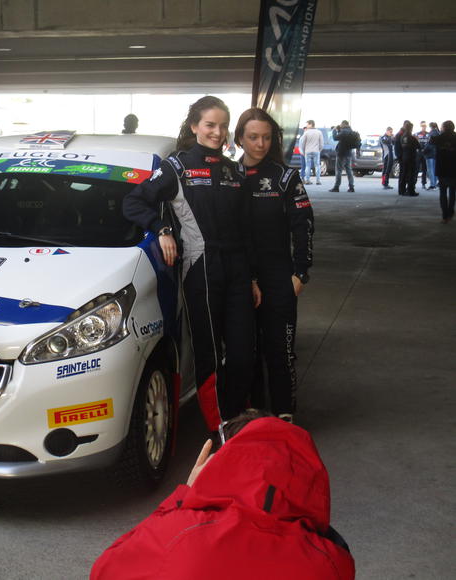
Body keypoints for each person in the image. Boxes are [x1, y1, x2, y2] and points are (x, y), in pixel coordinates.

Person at [90, 410, 355, 579]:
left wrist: (184, 498)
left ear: (219, 462)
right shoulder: (332, 563)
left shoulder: (179, 535)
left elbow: (104, 570)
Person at [122, 96, 255, 433]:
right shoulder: (176, 167)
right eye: (210, 125)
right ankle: (220, 429)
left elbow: (245, 226)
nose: (218, 132)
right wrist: (162, 230)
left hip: (238, 269)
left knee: (242, 351)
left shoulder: (233, 169)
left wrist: (252, 276)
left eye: (223, 125)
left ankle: (240, 417)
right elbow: (134, 202)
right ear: (195, 126)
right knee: (209, 354)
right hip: (202, 268)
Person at [235, 108, 314, 423]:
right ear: (240, 138)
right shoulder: (228, 176)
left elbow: (303, 224)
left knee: (280, 353)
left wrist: (301, 272)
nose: (260, 143)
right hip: (240, 280)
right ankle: (252, 418)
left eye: (266, 137)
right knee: (246, 355)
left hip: (279, 278)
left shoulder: (285, 177)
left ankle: (285, 416)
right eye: (253, 137)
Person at [431, 120, 456, 223]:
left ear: (444, 128)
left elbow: (430, 144)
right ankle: (450, 212)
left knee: (442, 193)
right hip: (453, 170)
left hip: (441, 169)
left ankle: (445, 216)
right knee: (452, 192)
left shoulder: (437, 138)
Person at [329, 121, 360, 193]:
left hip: (341, 154)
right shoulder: (351, 132)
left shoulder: (343, 132)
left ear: (343, 124)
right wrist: (339, 130)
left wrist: (334, 130)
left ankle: (336, 187)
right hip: (349, 153)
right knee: (349, 170)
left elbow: (335, 138)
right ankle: (351, 187)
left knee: (339, 170)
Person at [395, 121, 420, 196]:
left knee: (403, 174)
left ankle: (402, 190)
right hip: (411, 158)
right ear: (411, 128)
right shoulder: (411, 137)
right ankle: (410, 190)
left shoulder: (402, 136)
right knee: (411, 175)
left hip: (404, 157)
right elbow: (419, 146)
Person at [299, 120, 324, 185]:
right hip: (316, 151)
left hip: (307, 151)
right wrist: (319, 150)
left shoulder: (306, 133)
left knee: (308, 166)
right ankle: (318, 180)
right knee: (317, 166)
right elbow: (321, 144)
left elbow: (303, 144)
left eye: (307, 124)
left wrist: (304, 151)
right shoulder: (319, 132)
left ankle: (307, 180)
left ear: (311, 124)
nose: (306, 126)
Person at [424, 121, 440, 190]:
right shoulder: (438, 133)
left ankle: (432, 184)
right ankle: (435, 183)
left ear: (430, 126)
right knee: (434, 169)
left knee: (430, 170)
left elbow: (429, 144)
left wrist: (424, 150)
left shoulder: (431, 134)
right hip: (436, 154)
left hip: (430, 154)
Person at [415, 121, 430, 190]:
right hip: (418, 153)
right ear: (421, 126)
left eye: (425, 126)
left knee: (425, 169)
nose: (423, 127)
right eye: (422, 126)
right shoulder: (417, 134)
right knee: (416, 169)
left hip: (425, 154)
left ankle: (423, 183)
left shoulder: (428, 134)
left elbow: (430, 144)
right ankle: (414, 183)